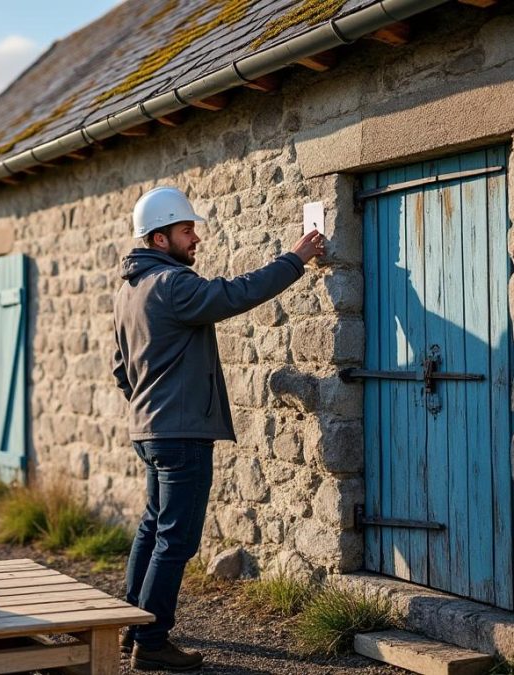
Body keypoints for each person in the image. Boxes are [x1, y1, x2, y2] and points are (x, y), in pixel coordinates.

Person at [112, 186, 325, 671]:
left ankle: (131, 626)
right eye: (188, 230)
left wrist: (150, 406)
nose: (197, 239)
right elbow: (233, 294)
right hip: (180, 434)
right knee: (177, 539)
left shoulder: (127, 291)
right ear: (160, 238)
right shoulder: (171, 284)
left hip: (149, 431)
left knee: (152, 528)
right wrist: (295, 258)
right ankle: (152, 641)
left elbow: (120, 369)